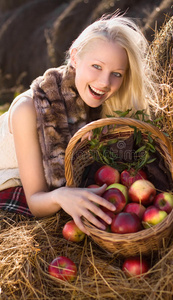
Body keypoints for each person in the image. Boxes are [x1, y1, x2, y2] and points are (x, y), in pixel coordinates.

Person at [0, 14, 158, 234]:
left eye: (116, 74)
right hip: (9, 180)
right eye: (96, 66)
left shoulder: (105, 104)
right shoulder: (28, 110)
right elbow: (36, 201)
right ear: (74, 57)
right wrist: (60, 195)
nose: (104, 83)